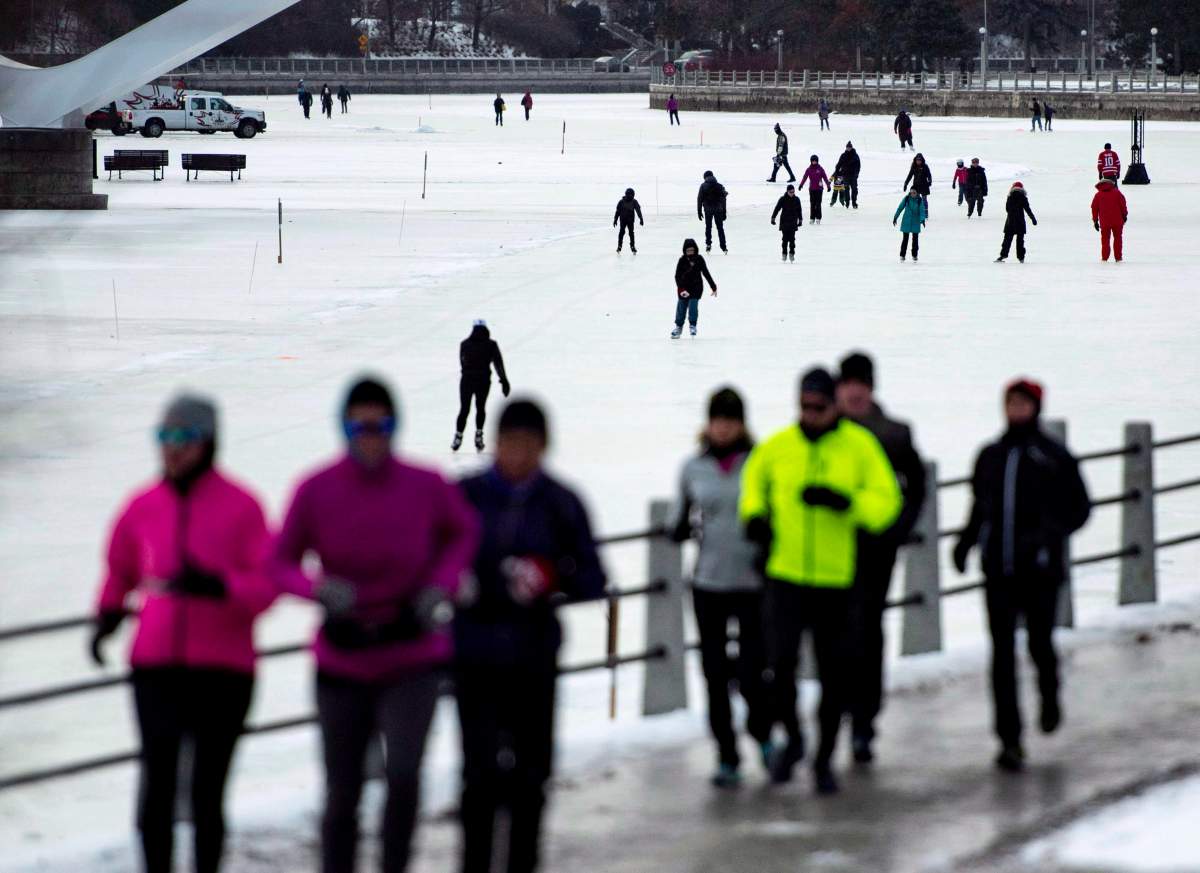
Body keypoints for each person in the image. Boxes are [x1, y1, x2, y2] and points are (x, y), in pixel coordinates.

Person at [270, 377, 479, 873]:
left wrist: (440, 586)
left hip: (412, 659)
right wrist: (316, 588)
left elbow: (464, 532)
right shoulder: (315, 488)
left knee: (403, 777)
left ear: (394, 425)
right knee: (342, 791)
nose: (369, 434)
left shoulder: (425, 484)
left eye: (380, 424)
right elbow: (277, 562)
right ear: (342, 427)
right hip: (342, 663)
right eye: (358, 424)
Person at [91, 394, 276, 873]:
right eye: (164, 437)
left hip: (224, 671)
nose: (173, 449)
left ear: (209, 442)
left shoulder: (242, 505)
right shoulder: (143, 505)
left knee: (206, 793)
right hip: (155, 667)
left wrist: (220, 586)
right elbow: (120, 566)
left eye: (184, 438)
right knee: (156, 783)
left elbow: (267, 585)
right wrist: (108, 614)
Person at [456, 399, 606, 873]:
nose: (517, 454)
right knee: (478, 778)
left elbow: (593, 578)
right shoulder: (464, 496)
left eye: (528, 444)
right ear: (496, 444)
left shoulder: (561, 502)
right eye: (509, 443)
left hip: (533, 659)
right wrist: (459, 578)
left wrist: (550, 576)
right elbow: (426, 553)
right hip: (473, 659)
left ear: (543, 447)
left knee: (530, 778)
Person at [740, 368, 901, 795]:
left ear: (833, 406)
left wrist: (847, 503)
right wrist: (755, 518)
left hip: (835, 579)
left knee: (835, 676)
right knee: (780, 668)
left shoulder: (859, 447)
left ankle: (825, 757)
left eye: (819, 407)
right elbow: (753, 484)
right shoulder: (778, 446)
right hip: (785, 577)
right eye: (804, 406)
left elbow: (887, 501)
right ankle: (793, 739)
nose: (810, 414)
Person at [952, 379, 1091, 772]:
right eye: (1010, 403)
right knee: (1000, 655)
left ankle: (1049, 694)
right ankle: (1009, 739)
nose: (1015, 410)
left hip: (1041, 571)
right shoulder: (990, 455)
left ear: (1036, 407)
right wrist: (965, 543)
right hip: (999, 570)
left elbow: (1079, 508)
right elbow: (979, 506)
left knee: (1039, 643)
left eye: (1022, 403)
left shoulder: (1052, 455)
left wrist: (1048, 537)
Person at [673, 388, 772, 787]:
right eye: (718, 420)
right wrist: (680, 528)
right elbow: (681, 517)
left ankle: (763, 735)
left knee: (753, 671)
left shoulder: (761, 463)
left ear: (741, 423)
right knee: (714, 673)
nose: (724, 427)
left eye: (731, 420)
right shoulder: (692, 468)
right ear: (708, 423)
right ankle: (726, 755)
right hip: (708, 583)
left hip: (752, 582)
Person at [834, 354, 927, 763]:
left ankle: (863, 721)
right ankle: (836, 715)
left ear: (872, 388)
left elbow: (918, 486)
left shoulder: (894, 434)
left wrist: (899, 529)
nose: (855, 392)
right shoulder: (821, 428)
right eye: (849, 383)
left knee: (867, 631)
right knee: (831, 635)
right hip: (826, 552)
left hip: (875, 551)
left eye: (862, 384)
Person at [454, 320, 510, 452]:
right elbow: (498, 364)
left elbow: (462, 361)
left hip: (467, 380)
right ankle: (478, 436)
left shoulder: (465, 344)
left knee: (464, 409)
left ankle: (458, 436)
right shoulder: (491, 345)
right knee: (480, 408)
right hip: (483, 380)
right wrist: (504, 381)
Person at [672, 238, 717, 338]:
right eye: (688, 251)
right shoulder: (682, 260)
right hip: (683, 288)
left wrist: (713, 286)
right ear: (685, 251)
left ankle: (692, 325)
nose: (690, 252)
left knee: (693, 306)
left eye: (692, 250)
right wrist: (681, 288)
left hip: (696, 287)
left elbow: (706, 273)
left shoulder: (699, 259)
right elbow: (677, 276)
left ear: (695, 249)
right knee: (681, 306)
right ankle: (678, 326)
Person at [996, 181, 1038, 263]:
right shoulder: (1023, 197)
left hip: (1010, 221)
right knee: (1020, 241)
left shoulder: (1010, 197)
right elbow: (1028, 210)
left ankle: (1003, 255)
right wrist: (1033, 219)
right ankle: (1021, 257)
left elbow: (1007, 209)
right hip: (1020, 221)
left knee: (1007, 240)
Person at [1091, 178, 1129, 263]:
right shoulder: (1117, 193)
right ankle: (1118, 257)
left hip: (1105, 222)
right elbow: (1123, 204)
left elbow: (1094, 208)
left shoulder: (1098, 195)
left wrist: (1095, 221)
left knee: (1105, 239)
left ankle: (1105, 258)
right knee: (1118, 238)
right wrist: (1124, 215)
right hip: (1117, 221)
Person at [696, 170, 729, 254]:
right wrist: (724, 212)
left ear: (705, 177)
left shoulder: (703, 186)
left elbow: (699, 199)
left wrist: (699, 211)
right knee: (720, 228)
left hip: (708, 210)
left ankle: (708, 245)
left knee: (708, 227)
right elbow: (723, 200)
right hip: (718, 210)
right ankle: (724, 247)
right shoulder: (719, 186)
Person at [770, 183, 803, 262]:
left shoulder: (797, 199)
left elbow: (799, 210)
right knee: (785, 239)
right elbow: (777, 208)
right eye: (790, 192)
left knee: (792, 239)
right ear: (787, 191)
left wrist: (800, 220)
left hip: (793, 222)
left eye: (793, 192)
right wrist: (773, 218)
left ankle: (792, 253)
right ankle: (784, 253)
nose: (792, 193)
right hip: (784, 221)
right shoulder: (782, 199)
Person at [893, 189, 926, 262]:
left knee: (915, 240)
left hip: (915, 222)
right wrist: (895, 217)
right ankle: (902, 255)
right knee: (905, 239)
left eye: (914, 193)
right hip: (906, 221)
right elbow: (900, 208)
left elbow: (922, 211)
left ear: (917, 193)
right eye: (911, 193)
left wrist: (922, 219)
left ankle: (914, 255)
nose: (912, 194)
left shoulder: (919, 200)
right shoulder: (907, 199)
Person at [799, 155, 831, 224]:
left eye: (815, 161)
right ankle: (812, 218)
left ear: (817, 161)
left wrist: (828, 186)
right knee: (812, 204)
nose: (814, 162)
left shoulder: (820, 169)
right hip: (812, 189)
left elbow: (825, 177)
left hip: (819, 189)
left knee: (818, 204)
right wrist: (801, 185)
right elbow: (804, 177)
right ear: (811, 161)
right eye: (813, 161)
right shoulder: (809, 169)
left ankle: (818, 218)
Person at [613, 187, 644, 254]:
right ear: (627, 194)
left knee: (631, 233)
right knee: (622, 232)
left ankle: (632, 246)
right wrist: (615, 219)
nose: (631, 196)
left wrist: (641, 218)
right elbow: (618, 211)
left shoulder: (634, 202)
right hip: (623, 220)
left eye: (632, 195)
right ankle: (619, 246)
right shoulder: (621, 202)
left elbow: (638, 210)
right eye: (631, 195)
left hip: (630, 220)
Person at [903, 152, 932, 217]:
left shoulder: (925, 166)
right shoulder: (914, 166)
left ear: (922, 160)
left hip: (924, 185)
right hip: (916, 186)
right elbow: (910, 175)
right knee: (917, 200)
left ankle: (925, 213)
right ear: (915, 160)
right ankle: (918, 213)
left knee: (924, 200)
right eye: (917, 160)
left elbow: (929, 175)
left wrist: (930, 181)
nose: (918, 161)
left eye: (919, 160)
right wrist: (905, 184)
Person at [833, 141, 861, 209]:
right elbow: (839, 164)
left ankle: (854, 202)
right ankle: (847, 202)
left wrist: (856, 174)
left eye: (849, 147)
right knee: (846, 189)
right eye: (847, 147)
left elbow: (858, 165)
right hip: (845, 175)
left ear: (851, 147)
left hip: (853, 175)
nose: (848, 148)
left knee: (854, 189)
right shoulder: (843, 155)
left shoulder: (855, 155)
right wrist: (836, 172)